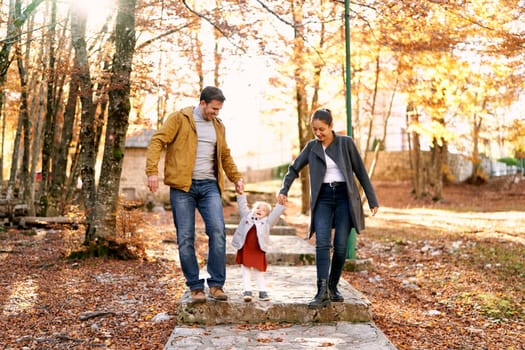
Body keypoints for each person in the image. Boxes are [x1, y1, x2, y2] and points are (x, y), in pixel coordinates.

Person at [145, 86, 244, 303]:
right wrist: (152, 172)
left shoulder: (218, 126)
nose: (216, 113)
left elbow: (225, 154)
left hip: (209, 186)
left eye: (219, 109)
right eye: (214, 109)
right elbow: (157, 141)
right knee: (185, 238)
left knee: (218, 232)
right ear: (202, 103)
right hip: (183, 188)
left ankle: (216, 285)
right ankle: (195, 287)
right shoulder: (179, 119)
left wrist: (236, 177)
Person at [277, 108, 379, 309]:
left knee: (340, 246)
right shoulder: (312, 147)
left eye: (322, 129)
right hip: (323, 198)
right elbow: (294, 168)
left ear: (331, 126)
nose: (318, 133)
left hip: (344, 198)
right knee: (322, 243)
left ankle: (333, 285)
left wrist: (372, 198)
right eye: (315, 130)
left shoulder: (345, 143)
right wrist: (284, 189)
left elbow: (360, 171)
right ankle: (321, 291)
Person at [231, 194, 286, 302]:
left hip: (258, 250)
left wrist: (280, 205)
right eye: (258, 207)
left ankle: (262, 291)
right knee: (245, 270)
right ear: (253, 209)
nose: (260, 210)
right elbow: (242, 206)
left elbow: (275, 215)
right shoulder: (246, 216)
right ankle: (247, 291)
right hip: (246, 248)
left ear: (267, 215)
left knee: (259, 271)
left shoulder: (267, 222)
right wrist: (240, 194)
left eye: (264, 210)